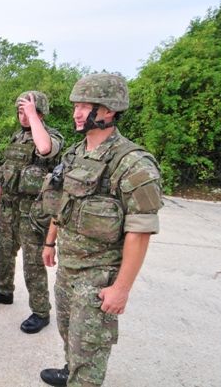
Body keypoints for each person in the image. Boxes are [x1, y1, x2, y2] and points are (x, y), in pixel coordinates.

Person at [40, 73, 163, 386]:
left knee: (90, 348)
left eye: (85, 106)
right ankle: (71, 370)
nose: (76, 113)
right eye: (76, 106)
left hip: (99, 275)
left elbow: (140, 231)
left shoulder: (133, 163)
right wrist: (50, 242)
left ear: (109, 110)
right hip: (68, 268)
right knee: (69, 332)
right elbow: (62, 204)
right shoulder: (74, 153)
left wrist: (121, 289)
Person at [0, 91, 64, 335]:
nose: (23, 117)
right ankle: (4, 291)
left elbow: (45, 148)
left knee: (32, 263)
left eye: (29, 112)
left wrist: (32, 115)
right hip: (9, 206)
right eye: (20, 112)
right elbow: (10, 170)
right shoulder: (17, 136)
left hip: (33, 211)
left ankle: (40, 312)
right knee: (3, 252)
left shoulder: (52, 136)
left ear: (41, 113)